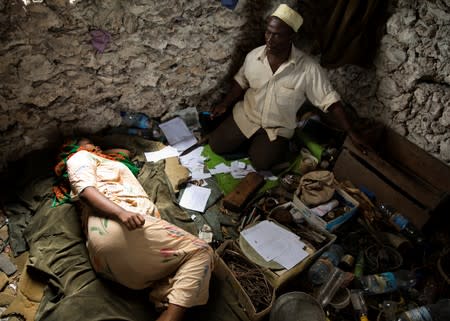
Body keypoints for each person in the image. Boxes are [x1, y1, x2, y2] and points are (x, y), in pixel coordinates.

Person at [54, 137, 214, 321]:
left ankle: (165, 301)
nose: (97, 146)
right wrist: (121, 213)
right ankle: (172, 317)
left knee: (173, 271)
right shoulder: (79, 157)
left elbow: (125, 152)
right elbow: (86, 191)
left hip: (120, 266)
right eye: (89, 142)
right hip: (118, 225)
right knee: (201, 251)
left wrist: (98, 150)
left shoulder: (100, 160)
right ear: (73, 148)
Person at [209, 3, 366, 170]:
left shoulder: (308, 68)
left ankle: (264, 146)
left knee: (261, 164)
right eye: (268, 32)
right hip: (247, 116)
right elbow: (240, 82)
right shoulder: (253, 56)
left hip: (276, 128)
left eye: (277, 35)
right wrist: (224, 104)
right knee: (216, 145)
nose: (269, 39)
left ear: (291, 36)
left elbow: (330, 101)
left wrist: (351, 133)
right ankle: (252, 142)